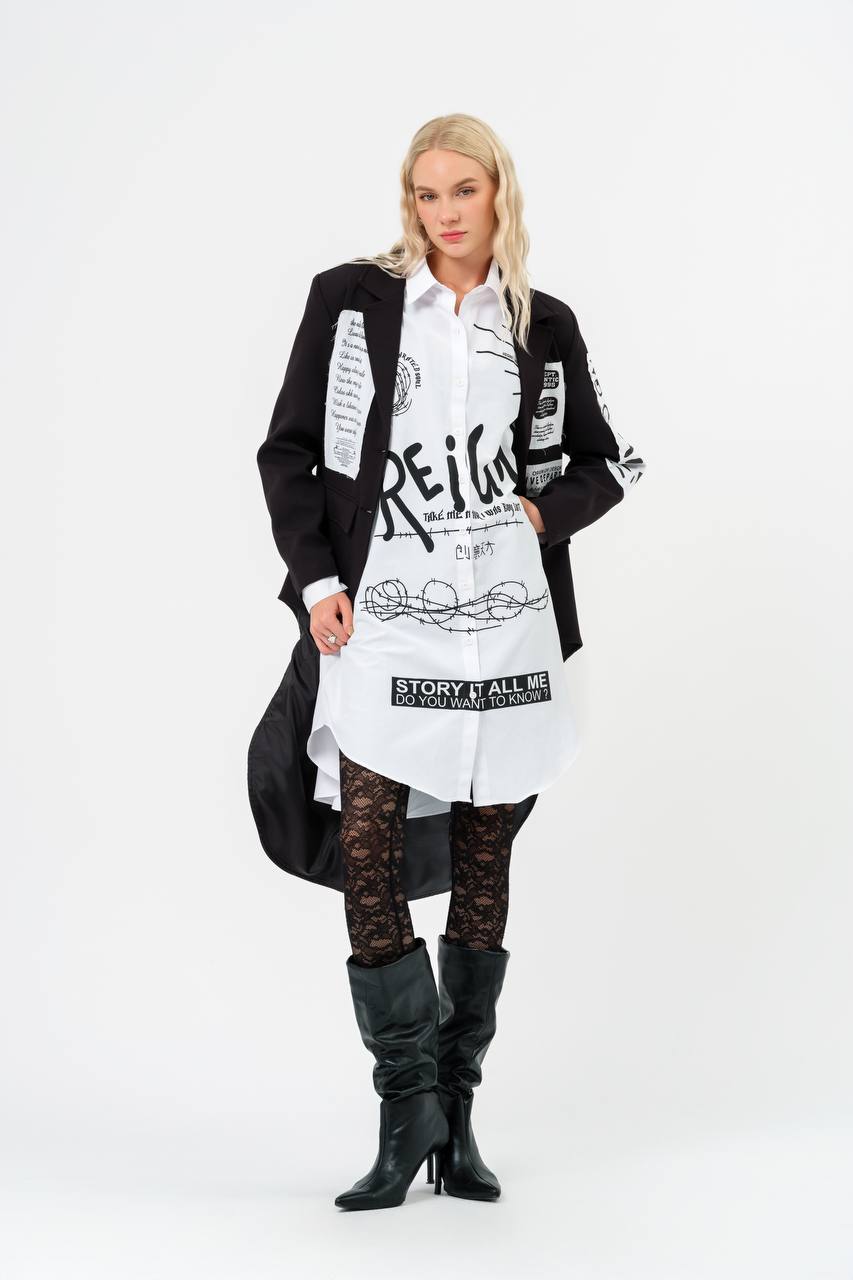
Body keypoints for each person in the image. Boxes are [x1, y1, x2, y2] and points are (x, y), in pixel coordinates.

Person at [253, 112, 647, 1212]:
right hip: (383, 617)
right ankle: (404, 1106)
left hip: (506, 623)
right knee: (368, 843)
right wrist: (318, 583)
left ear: (497, 192)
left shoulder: (542, 322)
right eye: (425, 194)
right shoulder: (352, 303)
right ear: (409, 202)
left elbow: (602, 462)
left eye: (462, 190)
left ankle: (456, 1116)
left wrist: (540, 511)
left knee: (483, 857)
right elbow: (289, 450)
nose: (444, 213)